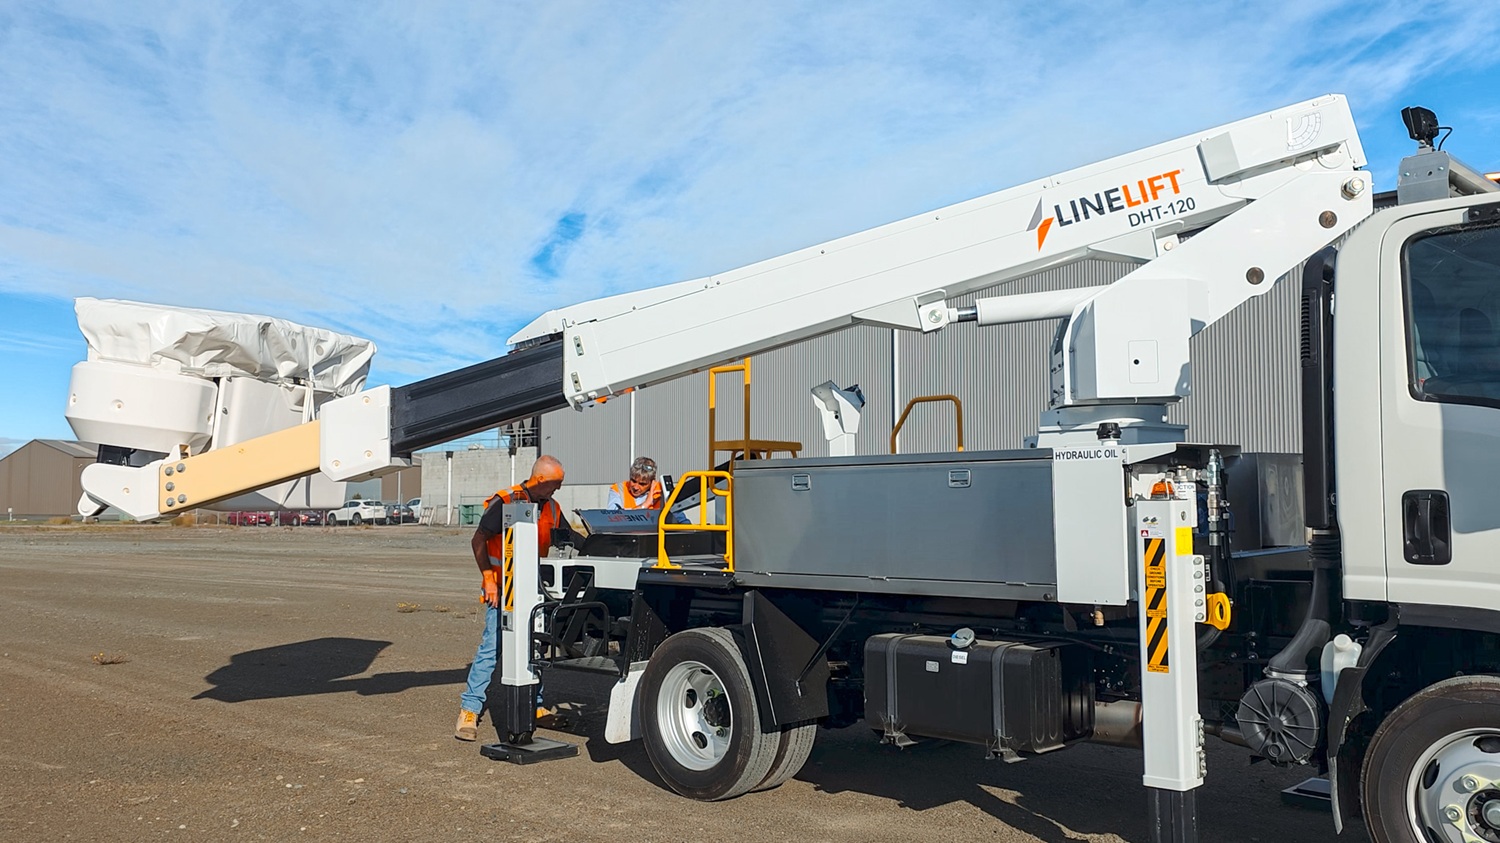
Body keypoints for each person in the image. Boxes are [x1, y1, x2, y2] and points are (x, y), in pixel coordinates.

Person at [454, 455, 580, 741]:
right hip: (504, 591)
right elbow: (478, 540)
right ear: (539, 480)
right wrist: (488, 578)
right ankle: (469, 710)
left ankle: (535, 707)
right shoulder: (506, 501)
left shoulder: (552, 507)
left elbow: (567, 537)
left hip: (536, 592)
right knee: (492, 648)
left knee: (534, 648)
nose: (557, 490)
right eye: (555, 485)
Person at [608, 456, 687, 523]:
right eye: (633, 481)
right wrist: (645, 504)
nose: (636, 487)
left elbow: (681, 520)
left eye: (642, 484)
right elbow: (612, 520)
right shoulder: (618, 489)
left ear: (652, 482)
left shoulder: (663, 492)